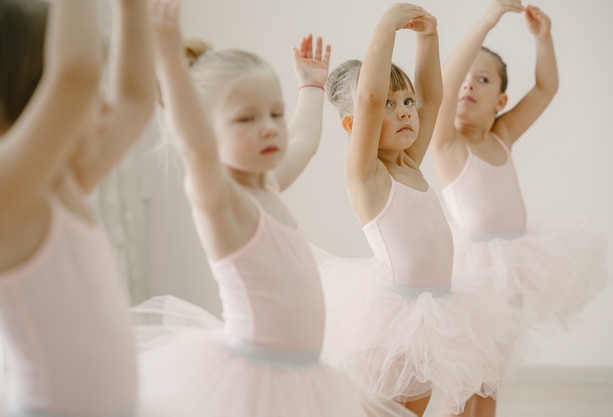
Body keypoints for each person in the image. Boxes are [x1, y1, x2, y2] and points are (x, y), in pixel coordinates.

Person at [131, 1, 414, 416]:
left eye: (275, 113)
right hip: (257, 377)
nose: (268, 126)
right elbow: (196, 148)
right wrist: (171, 66)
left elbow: (303, 142)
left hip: (303, 372)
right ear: (206, 128)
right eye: (246, 118)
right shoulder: (221, 200)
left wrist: (312, 88)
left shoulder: (268, 184)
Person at [322, 3, 520, 416]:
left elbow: (433, 96)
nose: (405, 111)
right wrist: (387, 27)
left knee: (434, 403)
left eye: (406, 102)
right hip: (396, 321)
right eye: (389, 107)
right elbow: (370, 96)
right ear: (353, 126)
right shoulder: (368, 175)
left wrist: (428, 38)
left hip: (437, 314)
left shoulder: (409, 163)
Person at [430, 0, 608, 415]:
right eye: (463, 79)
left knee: (490, 378)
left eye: (483, 79)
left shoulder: (501, 136)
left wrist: (542, 41)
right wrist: (487, 21)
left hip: (510, 273)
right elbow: (446, 78)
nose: (468, 86)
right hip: (471, 275)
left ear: (501, 101)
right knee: (462, 378)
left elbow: (546, 89)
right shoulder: (447, 145)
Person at [0, 0, 155, 415]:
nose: (106, 104)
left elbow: (137, 100)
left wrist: (132, 10)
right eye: (93, 93)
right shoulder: (10, 195)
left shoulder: (64, 183)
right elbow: (76, 75)